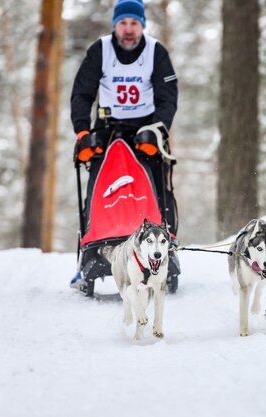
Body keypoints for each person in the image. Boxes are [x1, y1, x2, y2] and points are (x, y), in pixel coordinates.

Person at [70, 0, 180, 292]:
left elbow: (168, 96)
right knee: (97, 188)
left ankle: (167, 247)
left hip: (146, 130)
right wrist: (82, 132)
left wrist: (157, 129)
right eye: (123, 23)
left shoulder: (156, 52)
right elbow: (81, 93)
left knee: (159, 191)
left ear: (142, 25)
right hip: (108, 130)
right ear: (115, 25)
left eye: (134, 23)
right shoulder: (100, 51)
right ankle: (89, 253)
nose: (129, 30)